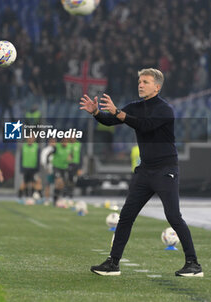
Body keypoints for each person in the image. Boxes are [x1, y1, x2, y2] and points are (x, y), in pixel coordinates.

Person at [80, 68, 203, 277]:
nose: (140, 84)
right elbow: (111, 121)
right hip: (145, 170)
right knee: (126, 215)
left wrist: (119, 112)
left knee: (173, 215)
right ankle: (113, 263)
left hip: (166, 169)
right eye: (139, 81)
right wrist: (96, 113)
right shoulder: (135, 107)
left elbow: (145, 126)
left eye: (145, 82)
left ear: (157, 87)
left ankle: (193, 264)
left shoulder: (165, 109)